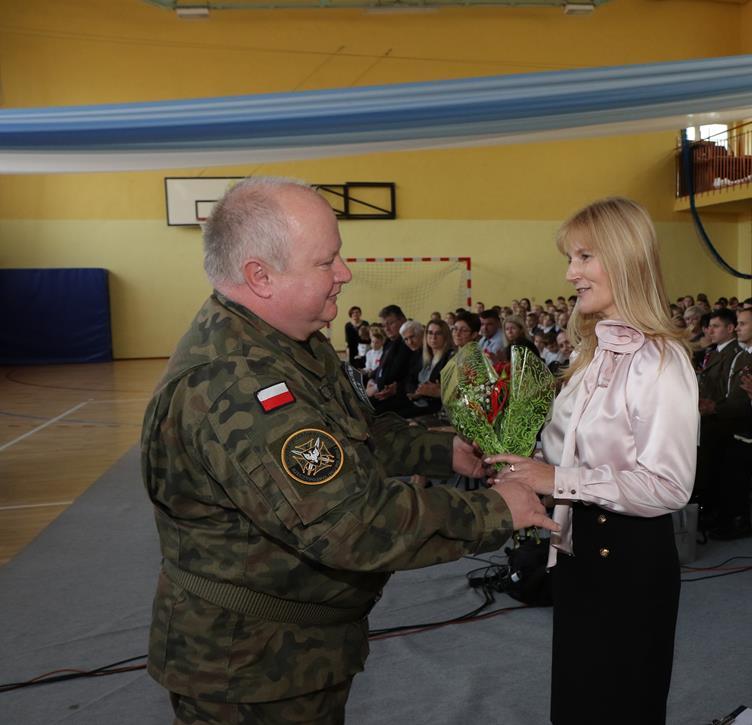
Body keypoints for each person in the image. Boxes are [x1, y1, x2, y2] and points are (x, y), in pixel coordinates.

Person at [141, 176, 558, 725]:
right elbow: (349, 523)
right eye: (326, 261)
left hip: (291, 649)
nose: (345, 272)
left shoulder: (291, 345)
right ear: (260, 276)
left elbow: (353, 434)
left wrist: (439, 451)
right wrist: (495, 510)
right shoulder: (238, 382)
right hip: (250, 667)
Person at [486, 197, 698, 725]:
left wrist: (558, 478)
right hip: (577, 553)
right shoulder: (591, 354)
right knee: (579, 702)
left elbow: (670, 485)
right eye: (570, 258)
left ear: (625, 259)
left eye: (584, 257)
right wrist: (524, 462)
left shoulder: (660, 361)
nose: (570, 273)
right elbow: (572, 453)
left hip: (628, 563)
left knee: (620, 704)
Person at [405, 318, 454, 418]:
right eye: (430, 333)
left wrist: (424, 393)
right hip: (416, 401)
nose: (433, 337)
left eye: (438, 333)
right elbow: (410, 378)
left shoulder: (449, 357)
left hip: (434, 408)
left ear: (445, 336)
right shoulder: (423, 355)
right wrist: (415, 392)